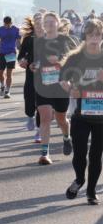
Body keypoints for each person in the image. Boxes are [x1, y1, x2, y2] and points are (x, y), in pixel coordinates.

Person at [61, 19, 103, 203]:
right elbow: (63, 79)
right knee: (79, 154)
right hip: (81, 115)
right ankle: (79, 179)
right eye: (91, 34)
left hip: (101, 116)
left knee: (96, 155)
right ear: (85, 36)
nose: (95, 38)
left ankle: (91, 191)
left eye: (98, 34)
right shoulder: (75, 58)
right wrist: (71, 89)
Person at [32, 12, 79, 165]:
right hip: (43, 85)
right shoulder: (38, 42)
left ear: (58, 23)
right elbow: (37, 61)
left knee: (61, 120)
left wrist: (59, 62)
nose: (50, 24)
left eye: (53, 22)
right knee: (45, 118)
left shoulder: (65, 40)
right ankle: (44, 154)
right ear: (43, 25)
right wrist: (34, 66)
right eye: (47, 22)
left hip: (60, 86)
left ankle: (66, 136)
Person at [18, 12, 45, 138]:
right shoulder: (28, 39)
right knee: (29, 99)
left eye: (42, 21)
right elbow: (21, 55)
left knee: (42, 103)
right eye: (37, 21)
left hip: (45, 76)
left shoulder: (50, 38)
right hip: (30, 75)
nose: (39, 24)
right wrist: (22, 61)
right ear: (34, 23)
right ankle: (30, 116)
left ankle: (39, 130)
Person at [0, 16, 22, 98]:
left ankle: (7, 91)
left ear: (11, 23)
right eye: (6, 24)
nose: (7, 26)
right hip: (2, 52)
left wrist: (21, 52)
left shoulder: (16, 30)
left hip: (11, 53)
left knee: (9, 74)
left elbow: (19, 42)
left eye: (9, 24)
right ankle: (2, 85)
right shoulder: (0, 29)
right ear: (4, 23)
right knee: (0, 73)